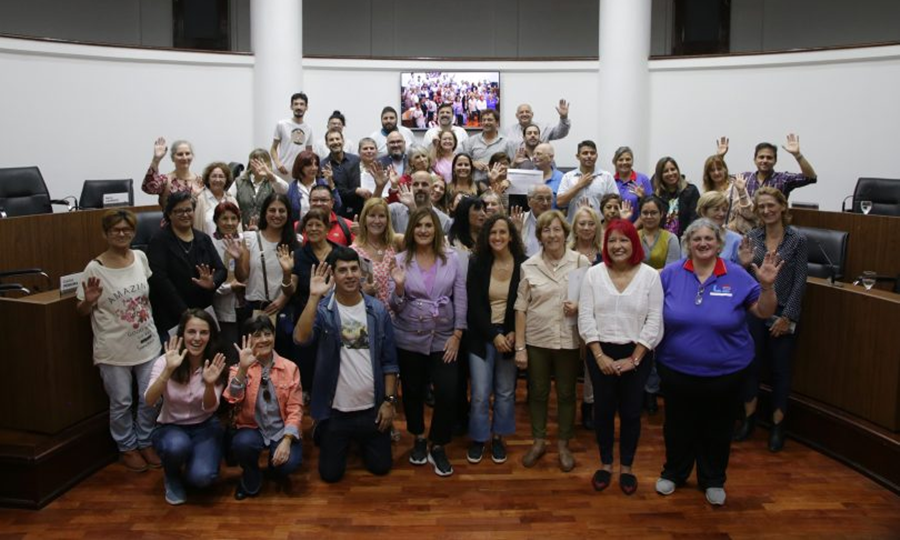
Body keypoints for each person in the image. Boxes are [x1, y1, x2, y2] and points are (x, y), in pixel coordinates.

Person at [654, 218, 783, 506]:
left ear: (719, 243)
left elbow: (763, 312)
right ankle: (674, 472)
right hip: (676, 369)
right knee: (677, 426)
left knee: (718, 427)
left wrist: (767, 287)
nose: (703, 243)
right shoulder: (670, 274)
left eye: (708, 239)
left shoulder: (736, 275)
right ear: (688, 243)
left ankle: (713, 479)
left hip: (726, 372)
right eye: (696, 239)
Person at [294, 248, 399, 482]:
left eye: (354, 269)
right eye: (342, 270)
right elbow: (300, 339)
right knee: (330, 475)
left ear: (361, 272)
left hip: (371, 409)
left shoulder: (377, 310)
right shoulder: (324, 310)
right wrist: (313, 297)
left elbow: (390, 362)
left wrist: (389, 402)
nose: (350, 275)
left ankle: (364, 438)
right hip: (336, 412)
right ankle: (323, 429)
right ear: (333, 275)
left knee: (381, 467)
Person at [578, 219, 664, 495]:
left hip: (637, 354)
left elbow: (654, 320)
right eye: (612, 240)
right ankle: (605, 463)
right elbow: (585, 317)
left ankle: (627, 466)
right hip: (600, 352)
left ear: (634, 243)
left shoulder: (650, 276)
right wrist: (599, 356)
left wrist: (635, 359)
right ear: (605, 245)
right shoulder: (593, 274)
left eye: (624, 240)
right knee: (603, 411)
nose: (618, 246)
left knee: (631, 413)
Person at [76, 209, 162, 472]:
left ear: (133, 232)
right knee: (122, 401)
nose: (122, 234)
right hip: (113, 349)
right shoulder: (95, 268)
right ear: (106, 234)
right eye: (116, 230)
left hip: (147, 342)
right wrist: (88, 301)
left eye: (127, 229)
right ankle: (127, 447)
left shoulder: (140, 257)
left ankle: (146, 440)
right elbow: (81, 310)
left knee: (151, 396)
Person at [389, 207, 467, 477]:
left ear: (436, 229)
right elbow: (395, 306)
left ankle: (438, 443)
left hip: (444, 337)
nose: (423, 230)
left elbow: (461, 298)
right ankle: (419, 437)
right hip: (409, 336)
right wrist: (399, 287)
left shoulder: (452, 258)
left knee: (447, 391)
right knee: (412, 391)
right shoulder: (400, 260)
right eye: (419, 226)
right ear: (412, 230)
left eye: (428, 225)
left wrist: (457, 334)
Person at [514, 210, 590, 472]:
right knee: (537, 392)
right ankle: (538, 441)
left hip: (568, 340)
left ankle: (563, 444)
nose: (552, 235)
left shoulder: (580, 262)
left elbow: (592, 299)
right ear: (539, 236)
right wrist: (520, 347)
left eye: (557, 229)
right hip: (538, 340)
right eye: (546, 230)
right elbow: (521, 308)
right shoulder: (528, 265)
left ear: (565, 233)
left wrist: (579, 306)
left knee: (567, 394)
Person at [734, 187, 808, 452]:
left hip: (783, 313)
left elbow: (800, 281)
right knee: (751, 366)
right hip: (755, 309)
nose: (766, 211)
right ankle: (749, 421)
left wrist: (788, 316)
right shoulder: (752, 237)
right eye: (761, 207)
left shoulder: (797, 239)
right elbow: (742, 278)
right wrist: (742, 265)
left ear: (782, 206)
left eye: (771, 205)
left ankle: (777, 426)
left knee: (780, 370)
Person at [145, 309, 227, 506]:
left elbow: (210, 408)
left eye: (203, 332)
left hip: (205, 426)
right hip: (171, 427)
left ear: (210, 336)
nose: (197, 338)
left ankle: (196, 461)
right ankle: (171, 475)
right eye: (191, 332)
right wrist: (168, 371)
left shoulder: (215, 363)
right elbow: (149, 400)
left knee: (202, 478)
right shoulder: (165, 361)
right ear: (182, 334)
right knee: (177, 446)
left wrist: (209, 384)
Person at [465, 214, 526, 465]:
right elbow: (474, 306)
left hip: (511, 335)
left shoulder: (524, 264)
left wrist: (513, 332)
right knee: (480, 393)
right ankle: (479, 438)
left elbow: (525, 303)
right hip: (481, 336)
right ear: (486, 236)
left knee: (505, 391)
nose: (497, 237)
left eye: (502, 232)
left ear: (511, 236)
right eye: (493, 232)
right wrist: (494, 334)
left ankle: (499, 436)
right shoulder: (478, 262)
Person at [225, 316, 303, 499]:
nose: (263, 339)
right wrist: (243, 369)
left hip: (281, 429)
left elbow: (296, 408)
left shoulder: (290, 367)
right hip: (252, 428)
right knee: (242, 444)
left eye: (267, 334)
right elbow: (232, 398)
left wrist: (287, 440)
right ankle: (251, 474)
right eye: (257, 335)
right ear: (248, 339)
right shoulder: (238, 368)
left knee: (289, 463)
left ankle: (274, 466)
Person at [226, 193, 298, 358]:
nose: (277, 215)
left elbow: (294, 282)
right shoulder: (250, 238)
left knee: (282, 360)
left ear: (288, 214)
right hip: (255, 308)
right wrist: (238, 259)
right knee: (253, 359)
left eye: (282, 211)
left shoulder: (295, 242)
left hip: (282, 309)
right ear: (265, 212)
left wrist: (282, 300)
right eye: (272, 210)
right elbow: (242, 276)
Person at [147, 191, 226, 340]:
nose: (185, 214)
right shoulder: (159, 240)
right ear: (169, 214)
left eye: (188, 210)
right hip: (172, 315)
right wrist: (185, 312)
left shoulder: (203, 238)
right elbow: (159, 280)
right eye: (179, 211)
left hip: (203, 311)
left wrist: (212, 283)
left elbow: (221, 270)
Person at [635, 195, 680, 415]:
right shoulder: (633, 236)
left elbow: (672, 270)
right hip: (634, 297)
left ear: (662, 214)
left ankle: (651, 391)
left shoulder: (671, 239)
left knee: (654, 344)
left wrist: (644, 274)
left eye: (654, 212)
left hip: (661, 297)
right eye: (645, 212)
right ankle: (636, 389)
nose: (649, 216)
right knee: (636, 342)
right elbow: (627, 265)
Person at [292, 207, 339, 397]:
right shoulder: (298, 255)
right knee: (307, 357)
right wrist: (286, 273)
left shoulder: (339, 253)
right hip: (306, 314)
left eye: (318, 225)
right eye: (309, 225)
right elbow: (291, 288)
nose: (313, 229)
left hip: (335, 316)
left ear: (327, 229)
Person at [568, 206, 604, 430]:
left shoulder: (604, 253)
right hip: (569, 317)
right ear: (575, 227)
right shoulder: (566, 252)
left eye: (591, 224)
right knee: (570, 364)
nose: (587, 228)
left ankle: (589, 404)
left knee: (592, 364)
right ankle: (567, 405)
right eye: (582, 223)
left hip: (597, 317)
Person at [717, 134, 818, 198]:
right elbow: (719, 178)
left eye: (769, 158)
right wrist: (720, 157)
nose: (765, 161)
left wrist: (797, 155)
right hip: (748, 224)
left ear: (775, 161)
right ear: (755, 160)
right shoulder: (744, 177)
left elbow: (810, 178)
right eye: (761, 157)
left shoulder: (783, 179)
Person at [350, 197, 404, 309]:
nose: (377, 221)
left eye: (382, 216)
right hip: (369, 313)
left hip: (397, 314)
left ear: (387, 220)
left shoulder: (395, 244)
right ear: (364, 219)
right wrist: (362, 292)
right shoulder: (354, 251)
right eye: (372, 215)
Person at [210, 201, 245, 359]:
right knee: (231, 356)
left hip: (246, 306)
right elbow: (209, 284)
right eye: (224, 218)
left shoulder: (245, 240)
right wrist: (230, 287)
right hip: (223, 309)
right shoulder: (209, 243)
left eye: (233, 218)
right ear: (216, 221)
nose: (229, 223)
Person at [557, 140, 618, 223]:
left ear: (596, 156)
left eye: (592, 153)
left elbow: (615, 202)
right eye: (585, 153)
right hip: (574, 225)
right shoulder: (568, 176)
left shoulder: (606, 176)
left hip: (599, 225)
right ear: (577, 156)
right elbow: (560, 202)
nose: (589, 156)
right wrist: (579, 185)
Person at [228, 149, 289, 230]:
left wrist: (270, 176)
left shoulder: (273, 181)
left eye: (262, 162)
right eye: (255, 161)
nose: (258, 165)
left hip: (268, 230)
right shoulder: (239, 182)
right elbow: (228, 202)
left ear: (268, 164)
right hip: (243, 230)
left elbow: (285, 190)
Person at [457, 109, 517, 184]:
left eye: (489, 120)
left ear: (497, 123)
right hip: (475, 184)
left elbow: (512, 166)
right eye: (484, 120)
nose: (486, 122)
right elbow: (461, 159)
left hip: (498, 185)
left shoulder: (507, 143)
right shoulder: (471, 141)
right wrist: (473, 163)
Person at [701, 152, 755, 234]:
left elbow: (749, 213)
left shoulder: (736, 187)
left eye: (719, 169)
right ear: (708, 174)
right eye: (712, 170)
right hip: (714, 234)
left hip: (736, 234)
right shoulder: (706, 194)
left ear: (725, 170)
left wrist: (742, 192)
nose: (716, 172)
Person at [286, 150, 342, 228]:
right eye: (309, 165)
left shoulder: (324, 183)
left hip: (324, 228)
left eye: (316, 164)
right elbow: (289, 215)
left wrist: (331, 184)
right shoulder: (292, 188)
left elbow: (337, 206)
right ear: (300, 167)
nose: (314, 168)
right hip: (300, 229)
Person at [141, 138, 202, 208]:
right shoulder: (166, 180)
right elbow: (147, 188)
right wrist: (156, 159)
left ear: (192, 156)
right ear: (173, 158)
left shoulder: (200, 180)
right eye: (180, 154)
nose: (184, 157)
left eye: (187, 153)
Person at [652, 156, 699, 237]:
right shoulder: (656, 197)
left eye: (673, 169)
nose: (670, 173)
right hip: (662, 239)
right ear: (660, 175)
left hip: (687, 238)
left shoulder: (691, 191)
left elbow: (695, 218)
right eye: (666, 171)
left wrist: (687, 237)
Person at [271, 92, 314, 179]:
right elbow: (273, 149)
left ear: (306, 107)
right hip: (282, 171)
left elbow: (309, 152)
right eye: (296, 104)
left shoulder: (309, 128)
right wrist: (278, 164)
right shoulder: (282, 124)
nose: (299, 107)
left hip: (300, 172)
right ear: (291, 107)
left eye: (302, 104)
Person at [323, 129, 363, 219]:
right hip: (337, 212)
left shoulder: (356, 160)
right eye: (331, 140)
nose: (335, 142)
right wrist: (355, 191)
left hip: (359, 210)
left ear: (343, 141)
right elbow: (330, 191)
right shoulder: (323, 165)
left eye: (337, 139)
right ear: (326, 144)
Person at [193, 162, 238, 235]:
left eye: (221, 176)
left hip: (229, 242)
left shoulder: (231, 200)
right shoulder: (200, 199)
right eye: (214, 176)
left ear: (226, 180)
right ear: (208, 179)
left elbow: (238, 228)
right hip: (206, 241)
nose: (217, 180)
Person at [697, 191, 743, 263]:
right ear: (703, 212)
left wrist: (744, 264)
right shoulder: (691, 238)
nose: (722, 214)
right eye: (716, 209)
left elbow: (739, 268)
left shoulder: (736, 240)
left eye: (724, 210)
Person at [503, 100, 571, 146]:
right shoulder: (508, 132)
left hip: (541, 163)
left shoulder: (544, 128)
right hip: (517, 162)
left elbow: (561, 133)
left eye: (527, 112)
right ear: (516, 115)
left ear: (532, 114)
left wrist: (564, 117)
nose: (524, 114)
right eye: (521, 112)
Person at [611, 147, 653, 220]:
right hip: (616, 226)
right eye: (621, 160)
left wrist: (643, 197)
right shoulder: (611, 181)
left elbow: (651, 208)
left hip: (639, 225)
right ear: (615, 162)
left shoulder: (643, 179)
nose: (624, 162)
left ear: (632, 161)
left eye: (628, 159)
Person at [512, 184, 554, 257]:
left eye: (548, 199)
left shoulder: (558, 223)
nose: (545, 203)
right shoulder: (518, 220)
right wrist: (517, 233)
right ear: (529, 201)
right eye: (540, 199)